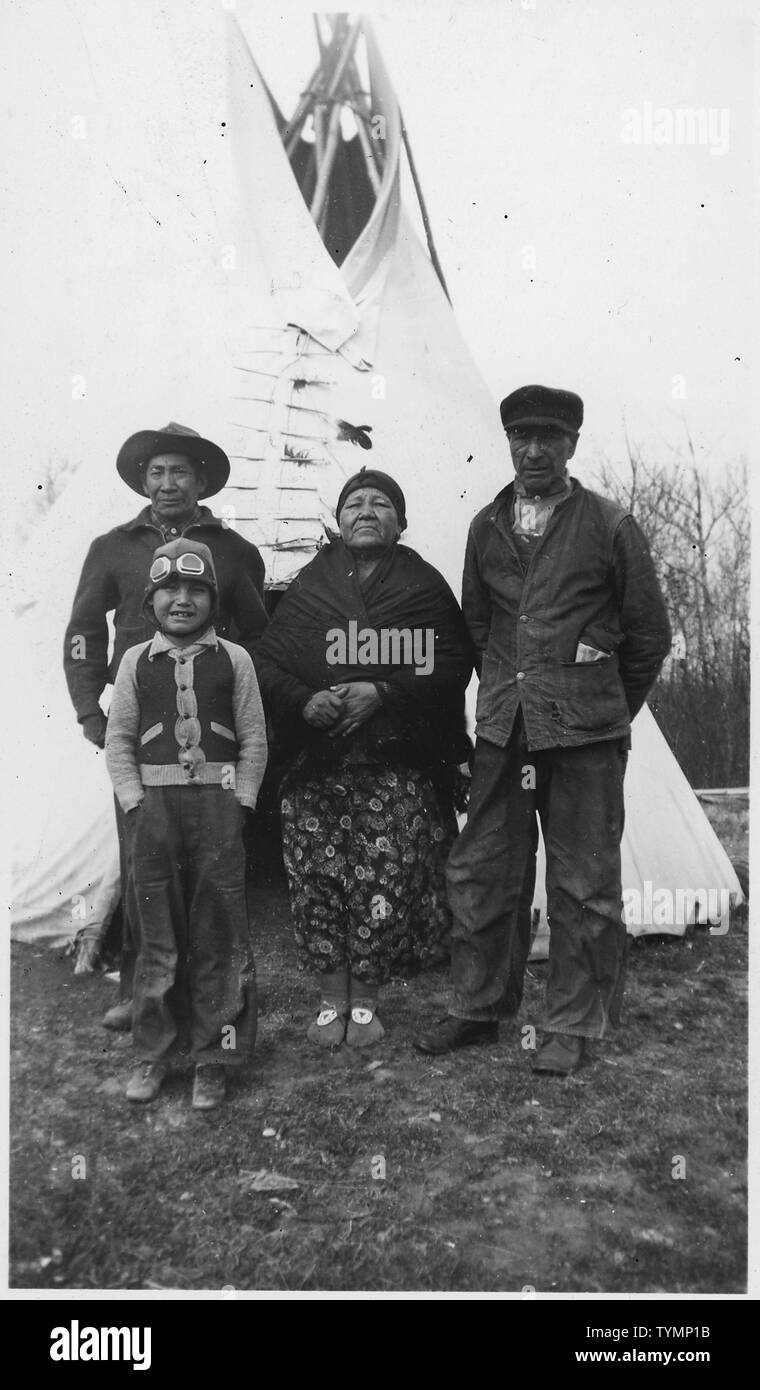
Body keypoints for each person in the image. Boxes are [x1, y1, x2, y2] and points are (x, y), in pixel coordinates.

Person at [416, 385, 671, 1073]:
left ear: (572, 446)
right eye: (521, 437)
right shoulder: (485, 527)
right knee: (482, 871)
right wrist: (499, 696)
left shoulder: (611, 525)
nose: (534, 450)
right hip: (505, 730)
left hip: (585, 738)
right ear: (508, 442)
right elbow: (476, 628)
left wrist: (601, 706)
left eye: (549, 438)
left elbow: (649, 636)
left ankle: (571, 1023)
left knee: (583, 881)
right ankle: (477, 1007)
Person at [254, 468, 473, 1047]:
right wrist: (307, 701)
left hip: (393, 764)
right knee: (318, 878)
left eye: (382, 503)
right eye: (355, 503)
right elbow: (269, 661)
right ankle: (330, 999)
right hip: (318, 764)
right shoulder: (312, 583)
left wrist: (384, 692)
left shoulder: (424, 585)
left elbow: (452, 662)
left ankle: (367, 1001)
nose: (367, 511)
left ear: (402, 522)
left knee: (381, 878)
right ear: (338, 519)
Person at [63, 422, 267, 1028]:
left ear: (201, 480)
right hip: (140, 727)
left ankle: (206, 999)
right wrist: (87, 710)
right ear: (142, 480)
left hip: (209, 732)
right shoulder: (113, 546)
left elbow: (259, 635)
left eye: (181, 471)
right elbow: (81, 632)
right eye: (157, 472)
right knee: (142, 861)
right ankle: (137, 992)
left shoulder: (232, 551)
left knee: (210, 873)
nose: (168, 483)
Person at [104, 538, 268, 1107]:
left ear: (214, 600)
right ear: (150, 601)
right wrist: (133, 800)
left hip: (217, 810)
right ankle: (153, 1055)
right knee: (157, 932)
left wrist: (241, 801)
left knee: (218, 931)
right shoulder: (133, 662)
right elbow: (119, 739)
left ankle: (213, 1057)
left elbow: (253, 737)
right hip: (153, 813)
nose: (182, 599)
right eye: (169, 589)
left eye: (195, 589)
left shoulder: (236, 659)